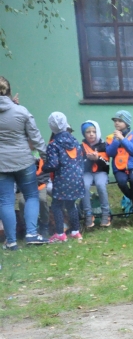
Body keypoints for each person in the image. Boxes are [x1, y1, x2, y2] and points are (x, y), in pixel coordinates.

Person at [0, 76, 48, 250]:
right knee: (32, 196)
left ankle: (11, 241)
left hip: (1, 164)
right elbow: (35, 137)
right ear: (9, 91)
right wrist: (45, 156)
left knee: (5, 202)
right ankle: (32, 234)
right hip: (24, 161)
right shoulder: (21, 111)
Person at [43, 112, 85, 242]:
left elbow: (53, 164)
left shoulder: (53, 144)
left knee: (57, 205)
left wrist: (43, 167)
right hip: (76, 177)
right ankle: (76, 231)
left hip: (62, 179)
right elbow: (80, 160)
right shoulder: (74, 141)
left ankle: (60, 233)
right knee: (71, 204)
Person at [106, 110, 133, 223]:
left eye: (120, 121)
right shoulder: (111, 137)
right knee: (122, 182)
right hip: (119, 169)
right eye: (115, 121)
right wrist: (116, 140)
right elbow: (110, 153)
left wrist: (123, 139)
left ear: (127, 123)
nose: (117, 123)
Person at [80, 120, 111, 228]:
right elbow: (79, 164)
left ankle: (106, 213)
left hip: (100, 172)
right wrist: (88, 159)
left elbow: (106, 164)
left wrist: (98, 159)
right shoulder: (81, 147)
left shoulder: (103, 145)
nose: (91, 134)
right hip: (87, 173)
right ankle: (88, 213)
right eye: (88, 132)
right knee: (84, 185)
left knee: (100, 185)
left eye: (94, 131)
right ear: (84, 134)